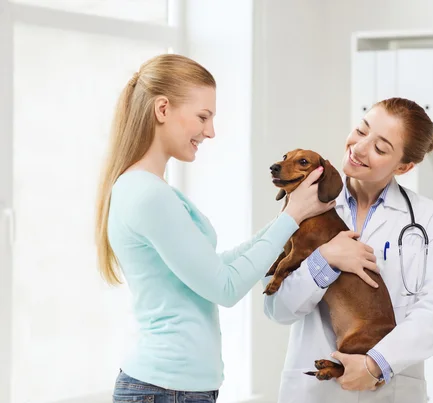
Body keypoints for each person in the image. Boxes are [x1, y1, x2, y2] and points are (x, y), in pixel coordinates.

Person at [94, 54, 335, 403]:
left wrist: (290, 219)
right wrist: (291, 218)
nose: (210, 131)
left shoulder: (152, 190)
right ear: (163, 109)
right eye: (203, 117)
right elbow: (225, 287)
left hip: (175, 389)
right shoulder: (148, 195)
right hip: (165, 390)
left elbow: (215, 266)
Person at [263, 97, 433, 403]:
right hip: (313, 392)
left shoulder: (427, 218)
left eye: (380, 148)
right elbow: (276, 308)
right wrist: (325, 260)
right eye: (361, 130)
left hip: (388, 391)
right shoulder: (301, 204)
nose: (359, 148)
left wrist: (375, 364)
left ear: (404, 166)